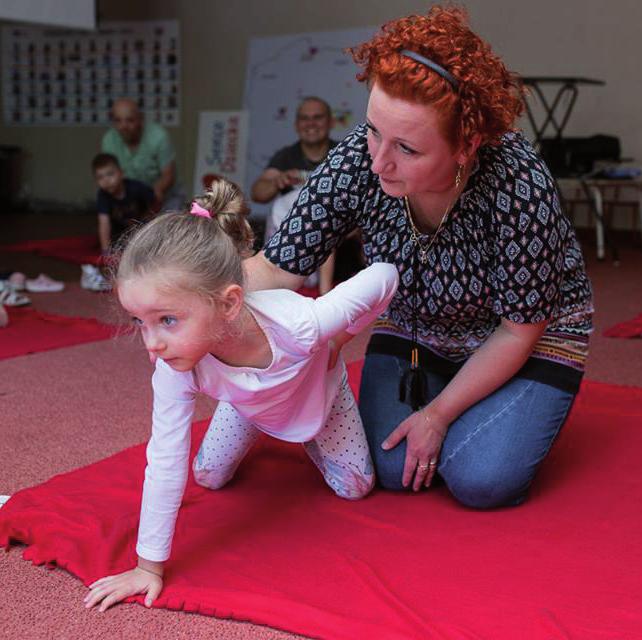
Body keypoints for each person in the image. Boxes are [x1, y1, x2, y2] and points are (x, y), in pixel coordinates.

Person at [244, 5, 594, 509]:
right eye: (372, 130)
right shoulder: (359, 157)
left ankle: (486, 400)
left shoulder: (520, 184)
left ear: (465, 146)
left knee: (479, 479)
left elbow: (520, 328)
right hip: (415, 326)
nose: (378, 160)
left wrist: (438, 415)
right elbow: (279, 265)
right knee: (388, 468)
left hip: (526, 335)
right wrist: (201, 293)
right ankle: (458, 394)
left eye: (407, 148)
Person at [83, 177, 398, 611]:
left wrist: (343, 338)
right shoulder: (173, 365)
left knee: (355, 488)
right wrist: (147, 567)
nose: (151, 344)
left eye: (167, 320)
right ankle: (256, 415)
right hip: (249, 405)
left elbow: (385, 276)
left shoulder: (302, 326)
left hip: (317, 401)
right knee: (207, 475)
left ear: (229, 304)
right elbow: (165, 457)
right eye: (141, 321)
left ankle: (304, 433)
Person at [251, 97, 362, 294]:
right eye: (304, 118)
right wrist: (278, 180)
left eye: (317, 117)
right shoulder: (286, 157)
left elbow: (365, 199)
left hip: (341, 249)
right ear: (296, 125)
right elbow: (257, 193)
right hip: (293, 249)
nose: (311, 123)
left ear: (330, 122)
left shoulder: (345, 154)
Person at [101, 98, 183, 211]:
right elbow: (108, 174)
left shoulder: (159, 136)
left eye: (130, 120)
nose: (124, 126)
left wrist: (150, 197)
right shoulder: (109, 140)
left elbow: (168, 175)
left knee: (169, 225)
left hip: (163, 196)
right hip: (129, 199)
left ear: (140, 119)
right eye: (118, 121)